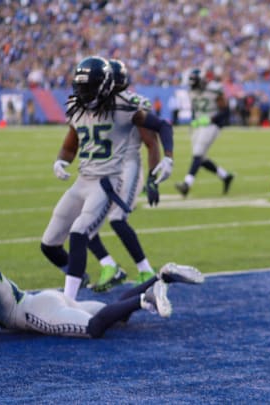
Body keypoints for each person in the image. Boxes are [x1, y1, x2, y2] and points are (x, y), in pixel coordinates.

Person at [40, 56, 174, 300]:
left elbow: (154, 137)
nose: (84, 93)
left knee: (104, 223)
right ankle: (103, 268)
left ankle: (138, 270)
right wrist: (61, 160)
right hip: (87, 176)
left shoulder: (126, 105)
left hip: (118, 171)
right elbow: (71, 143)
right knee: (57, 239)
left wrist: (157, 173)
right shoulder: (79, 108)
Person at [0, 240, 204, 349]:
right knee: (114, 311)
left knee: (94, 328)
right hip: (43, 301)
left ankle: (147, 299)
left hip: (36, 313)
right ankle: (161, 276)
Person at [86, 59, 175, 291]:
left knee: (116, 219)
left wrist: (152, 180)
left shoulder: (130, 104)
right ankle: (109, 266)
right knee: (82, 222)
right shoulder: (101, 104)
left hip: (128, 166)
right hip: (107, 168)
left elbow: (151, 142)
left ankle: (146, 271)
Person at [174, 68, 234, 198]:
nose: (193, 86)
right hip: (199, 126)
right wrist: (195, 120)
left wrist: (211, 119)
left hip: (211, 125)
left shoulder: (214, 90)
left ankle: (186, 184)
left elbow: (226, 111)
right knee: (201, 159)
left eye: (194, 83)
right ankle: (226, 176)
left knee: (197, 154)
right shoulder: (191, 92)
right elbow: (195, 110)